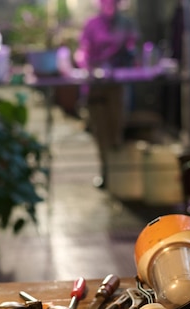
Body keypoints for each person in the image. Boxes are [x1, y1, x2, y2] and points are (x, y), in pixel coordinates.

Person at [74, 0, 138, 188]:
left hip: (118, 84)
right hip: (97, 84)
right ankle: (106, 172)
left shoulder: (126, 23)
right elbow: (82, 52)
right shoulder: (92, 24)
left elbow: (133, 49)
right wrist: (90, 67)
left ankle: (120, 174)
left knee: (117, 127)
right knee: (100, 129)